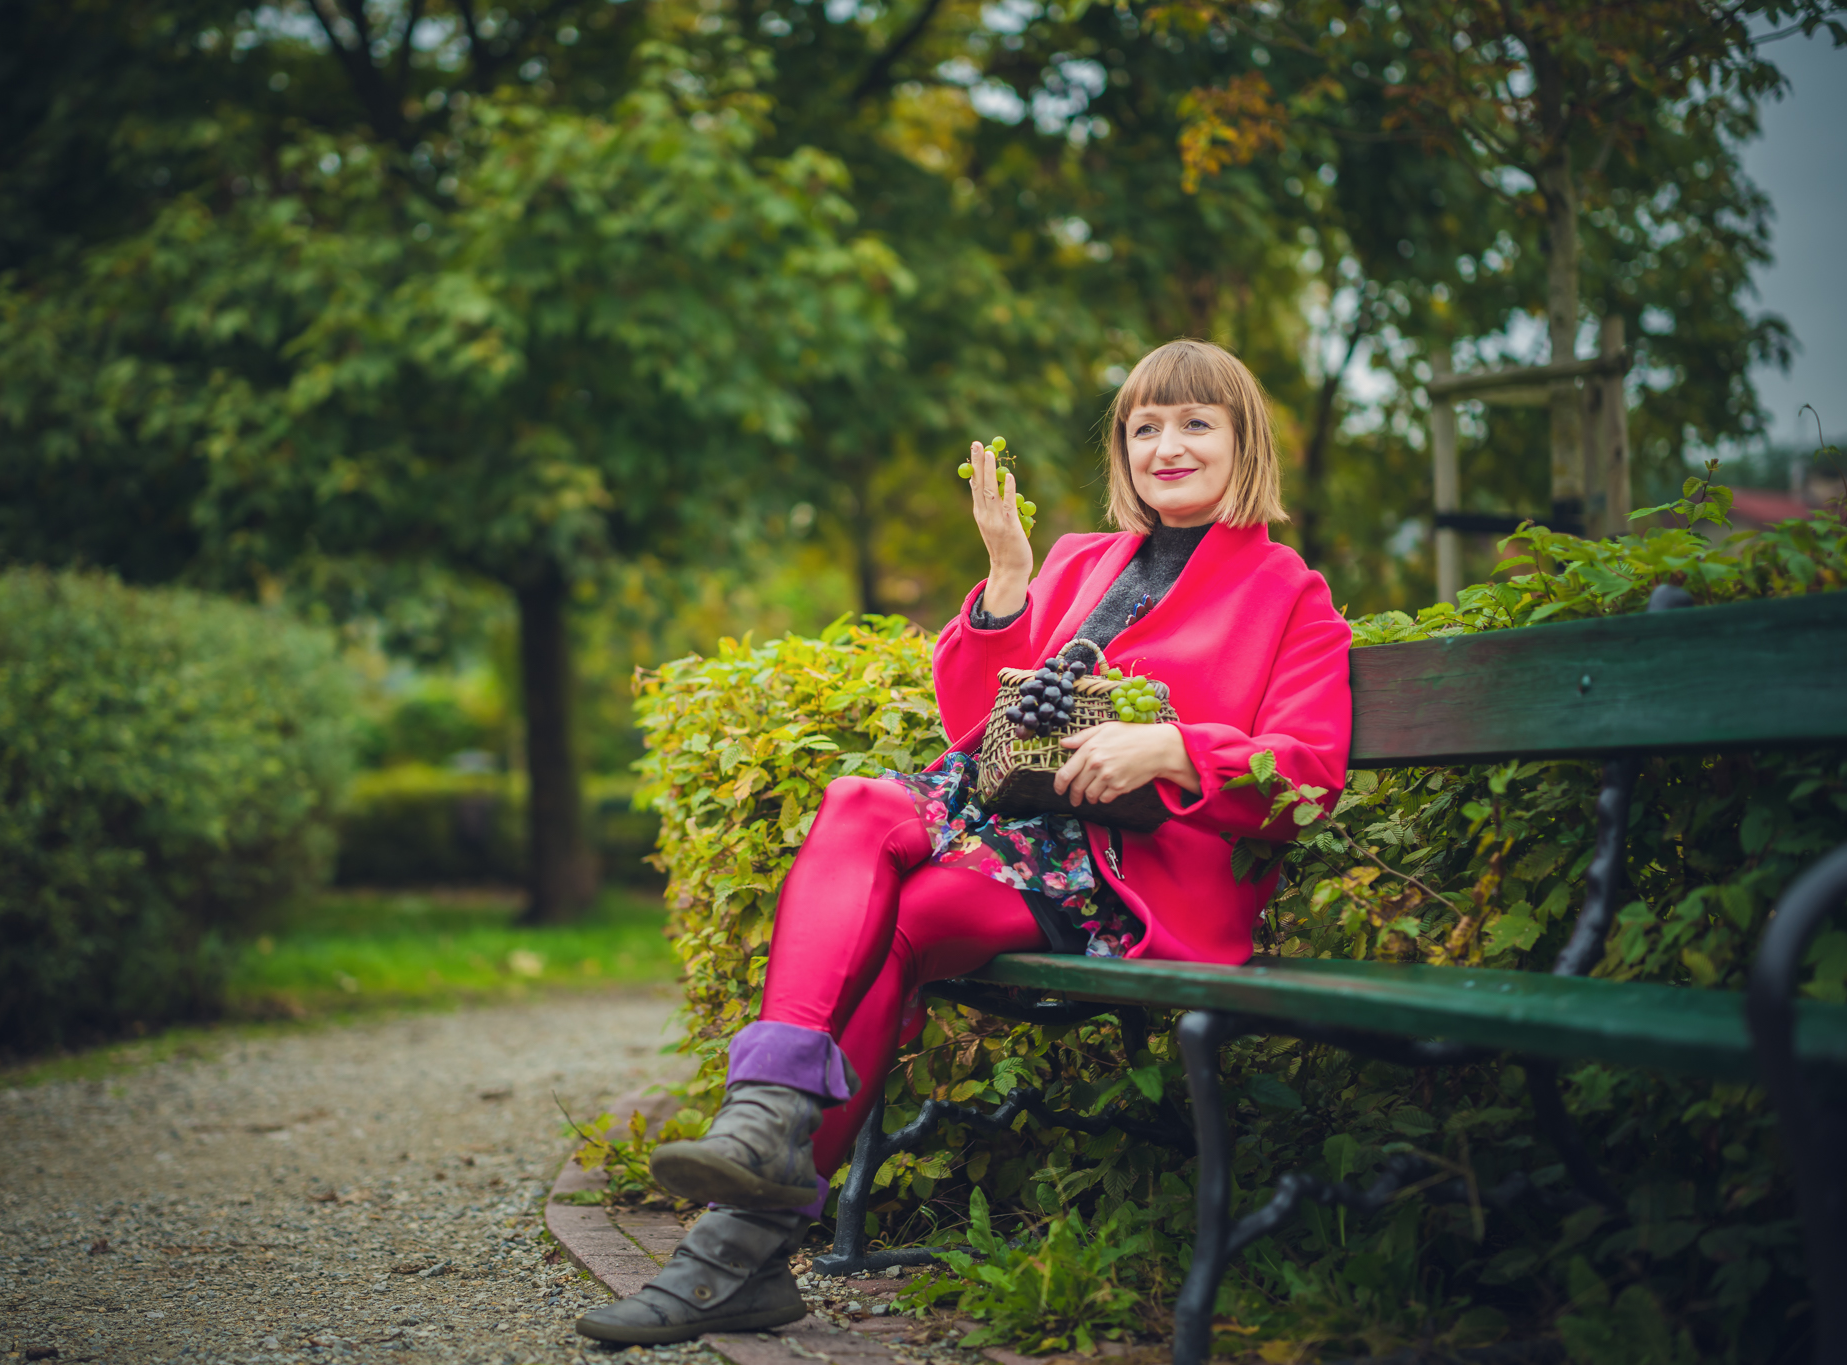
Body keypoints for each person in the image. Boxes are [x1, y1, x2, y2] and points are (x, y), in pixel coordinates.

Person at [575, 338, 1353, 1344]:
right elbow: (973, 725)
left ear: (1244, 442)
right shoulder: (1079, 559)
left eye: (1195, 423)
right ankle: (759, 1151)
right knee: (860, 806)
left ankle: (732, 1238)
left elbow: (1304, 778)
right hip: (1012, 832)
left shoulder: (1289, 591)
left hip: (1124, 876)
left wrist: (1172, 748)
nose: (1166, 446)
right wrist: (1006, 581)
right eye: (1144, 426)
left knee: (906, 905)